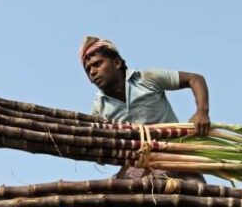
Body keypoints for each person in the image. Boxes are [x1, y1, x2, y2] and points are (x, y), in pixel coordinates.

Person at [79, 36, 210, 180]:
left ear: (116, 63)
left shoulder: (146, 79)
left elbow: (195, 79)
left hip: (176, 154)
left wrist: (202, 111)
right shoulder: (99, 107)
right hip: (138, 163)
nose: (92, 71)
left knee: (197, 190)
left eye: (97, 64)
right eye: (88, 69)